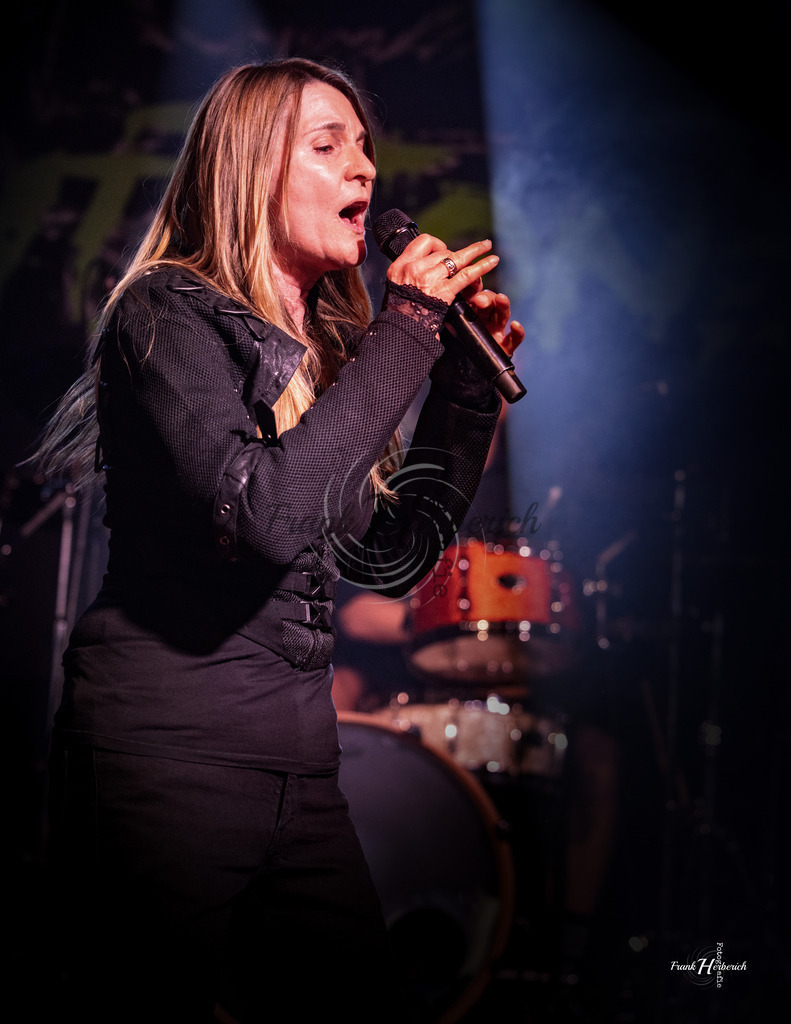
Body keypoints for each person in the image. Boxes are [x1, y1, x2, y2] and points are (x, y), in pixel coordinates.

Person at [32, 58, 524, 1024]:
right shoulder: (164, 313)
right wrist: (408, 328)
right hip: (164, 761)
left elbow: (388, 557)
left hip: (298, 769)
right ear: (250, 170)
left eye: (365, 148)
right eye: (327, 146)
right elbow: (267, 515)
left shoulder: (325, 349)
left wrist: (464, 391)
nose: (365, 168)